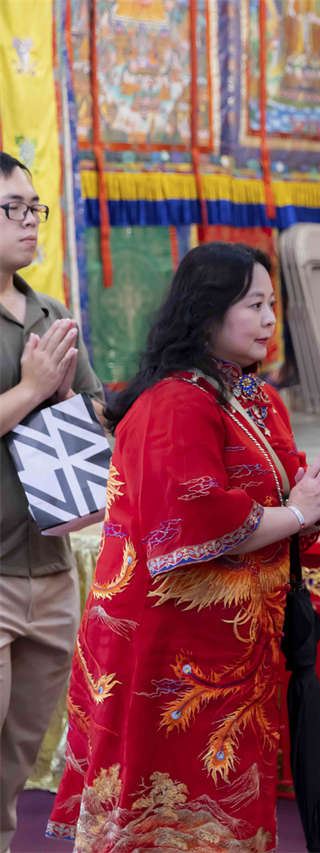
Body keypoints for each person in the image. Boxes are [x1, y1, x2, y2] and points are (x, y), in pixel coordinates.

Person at [45, 243, 320, 851]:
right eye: (254, 305)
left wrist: (312, 501)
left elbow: (284, 500)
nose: (270, 319)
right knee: (168, 810)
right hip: (169, 651)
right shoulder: (175, 402)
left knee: (227, 802)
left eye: (272, 304)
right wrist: (298, 509)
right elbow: (195, 520)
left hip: (233, 648)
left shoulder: (256, 398)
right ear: (208, 313)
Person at [0, 151, 103, 853]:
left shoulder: (51, 312)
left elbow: (94, 414)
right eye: (13, 208)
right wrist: (30, 390)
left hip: (51, 565)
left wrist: (67, 399)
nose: (30, 221)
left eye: (34, 207)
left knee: (16, 757)